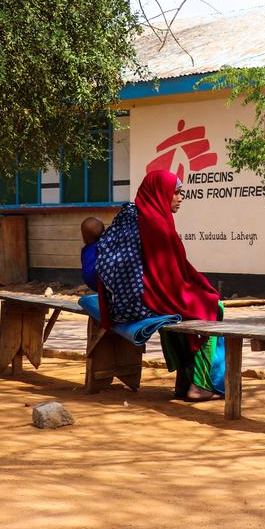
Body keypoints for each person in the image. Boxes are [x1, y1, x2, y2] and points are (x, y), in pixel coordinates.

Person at [95, 169, 225, 401]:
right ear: (161, 193)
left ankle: (185, 383)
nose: (180, 198)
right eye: (176, 193)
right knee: (213, 308)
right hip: (144, 301)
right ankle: (201, 385)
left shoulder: (129, 214)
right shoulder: (156, 224)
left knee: (188, 308)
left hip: (120, 302)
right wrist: (205, 290)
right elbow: (170, 281)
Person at [80, 217, 105, 291]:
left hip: (90, 282)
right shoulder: (105, 246)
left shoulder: (85, 251)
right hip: (102, 281)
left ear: (84, 237)